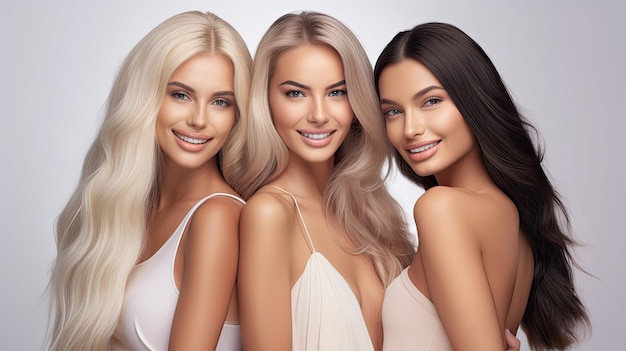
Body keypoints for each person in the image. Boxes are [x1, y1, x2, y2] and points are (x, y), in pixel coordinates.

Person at [374, 22, 590, 350]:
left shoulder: (441, 208)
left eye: (430, 101)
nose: (410, 128)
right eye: (392, 111)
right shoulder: (512, 219)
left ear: (473, 98)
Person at [46, 10, 252, 351]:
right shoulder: (125, 206)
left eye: (220, 102)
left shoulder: (217, 218)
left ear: (237, 114)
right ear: (144, 97)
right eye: (181, 95)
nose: (199, 119)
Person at [229, 11, 416, 351]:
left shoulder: (373, 214)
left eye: (337, 92)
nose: (318, 114)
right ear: (265, 101)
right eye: (295, 94)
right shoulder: (269, 215)